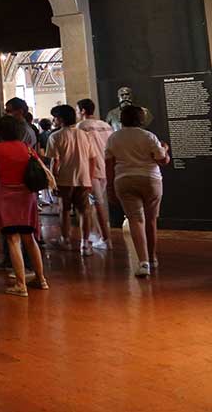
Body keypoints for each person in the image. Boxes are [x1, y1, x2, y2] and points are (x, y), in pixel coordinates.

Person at [0, 115, 48, 297]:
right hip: (27, 197)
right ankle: (41, 279)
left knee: (13, 239)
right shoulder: (26, 148)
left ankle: (21, 285)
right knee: (30, 238)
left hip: (6, 197)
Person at [105, 105, 170, 278]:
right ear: (141, 119)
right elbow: (162, 160)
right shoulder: (148, 136)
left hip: (124, 180)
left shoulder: (114, 138)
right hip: (150, 179)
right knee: (151, 220)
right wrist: (165, 149)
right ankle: (152, 257)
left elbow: (109, 165)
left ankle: (143, 263)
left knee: (135, 220)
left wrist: (109, 187)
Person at [0, 98, 37, 271]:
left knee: (14, 234)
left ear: (20, 111)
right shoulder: (26, 131)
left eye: (9, 110)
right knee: (25, 233)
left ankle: (21, 268)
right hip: (24, 190)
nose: (6, 113)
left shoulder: (21, 133)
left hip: (13, 189)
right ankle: (34, 273)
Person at [46, 104, 97, 256]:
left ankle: (65, 240)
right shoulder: (85, 135)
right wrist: (90, 178)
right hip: (83, 178)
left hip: (64, 179)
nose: (54, 120)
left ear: (61, 119)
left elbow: (55, 162)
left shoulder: (55, 136)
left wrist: (52, 181)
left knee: (64, 210)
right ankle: (85, 244)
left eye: (55, 117)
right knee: (84, 212)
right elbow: (92, 159)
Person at [76, 98, 114, 250]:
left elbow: (82, 150)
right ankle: (95, 233)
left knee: (97, 204)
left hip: (92, 169)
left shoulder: (81, 126)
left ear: (83, 111)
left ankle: (106, 239)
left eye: (77, 110)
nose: (77, 113)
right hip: (106, 167)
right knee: (94, 203)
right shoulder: (106, 125)